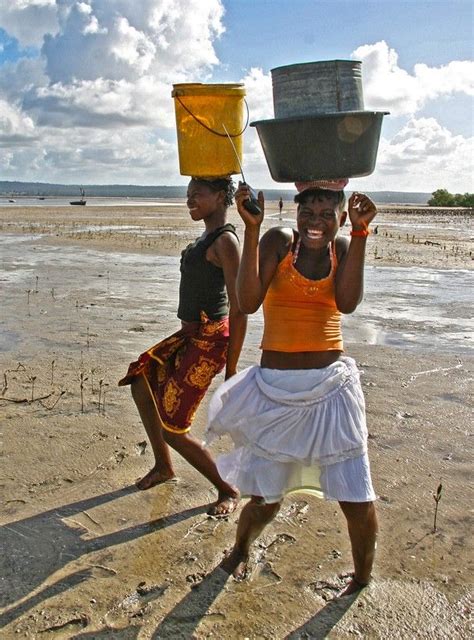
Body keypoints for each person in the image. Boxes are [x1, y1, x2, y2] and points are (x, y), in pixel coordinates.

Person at [205, 178, 378, 593]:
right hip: (275, 390)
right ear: (295, 214)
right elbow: (247, 302)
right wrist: (250, 228)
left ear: (339, 216)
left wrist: (360, 232)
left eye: (325, 215)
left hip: (332, 389)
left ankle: (362, 579)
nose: (315, 222)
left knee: (357, 498)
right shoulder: (279, 241)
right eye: (307, 213)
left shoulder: (342, 247)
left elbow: (348, 303)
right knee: (266, 497)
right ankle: (239, 551)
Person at [119, 177, 247, 517]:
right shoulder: (207, 237)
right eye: (188, 194)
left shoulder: (226, 241)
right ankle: (164, 467)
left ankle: (228, 489)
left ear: (220, 197)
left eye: (198, 194)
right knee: (141, 383)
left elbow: (240, 306)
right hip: (188, 335)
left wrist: (231, 367)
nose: (190, 199)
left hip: (208, 340)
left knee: (174, 429)